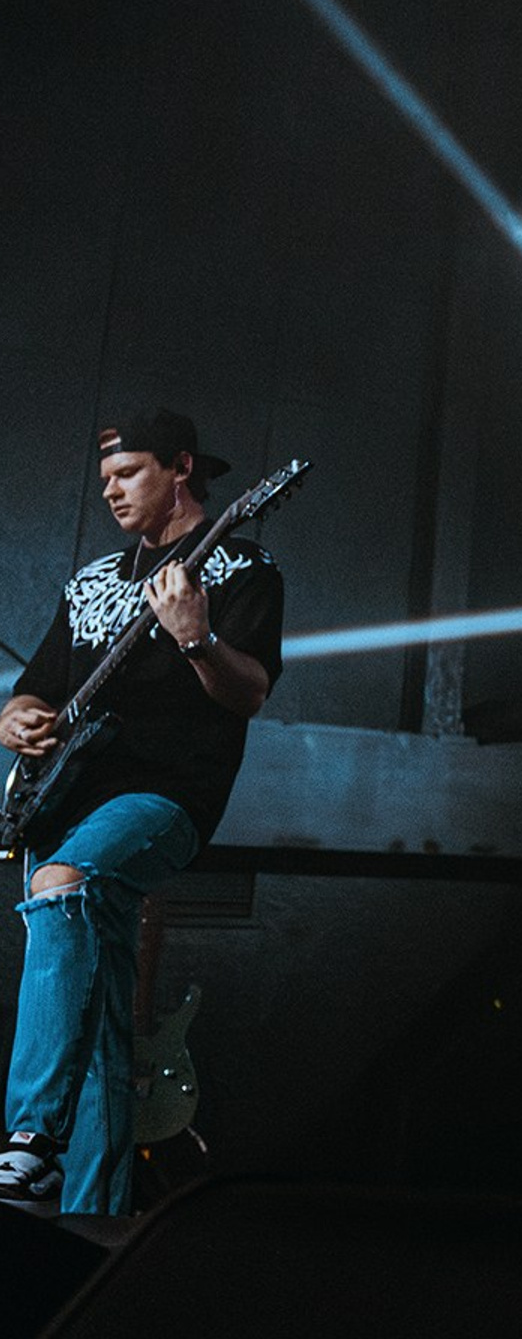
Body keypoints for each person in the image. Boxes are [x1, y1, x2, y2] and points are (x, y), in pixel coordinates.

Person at [0, 411, 283, 1217]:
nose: (113, 492)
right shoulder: (92, 578)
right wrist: (15, 717)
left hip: (165, 794)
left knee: (64, 883)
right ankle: (92, 1224)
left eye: (128, 474)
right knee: (97, 1019)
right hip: (60, 799)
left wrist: (196, 640)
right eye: (105, 482)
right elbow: (37, 687)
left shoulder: (243, 568)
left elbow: (250, 693)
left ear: (180, 466)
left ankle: (31, 1140)